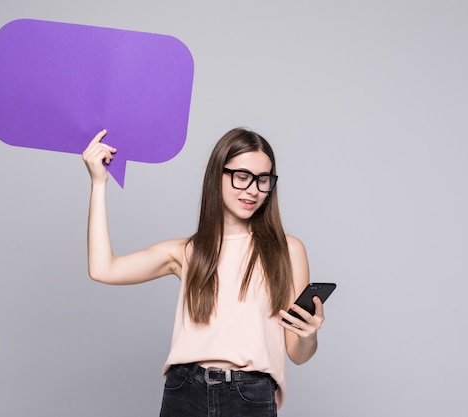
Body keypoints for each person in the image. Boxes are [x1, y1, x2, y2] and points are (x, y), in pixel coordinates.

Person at [82, 127, 325, 417]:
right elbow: (103, 269)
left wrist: (309, 336)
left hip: (252, 396)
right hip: (186, 391)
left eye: (263, 180)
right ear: (217, 175)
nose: (253, 189)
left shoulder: (288, 250)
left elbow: (297, 354)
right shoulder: (186, 251)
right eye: (242, 176)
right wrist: (99, 184)